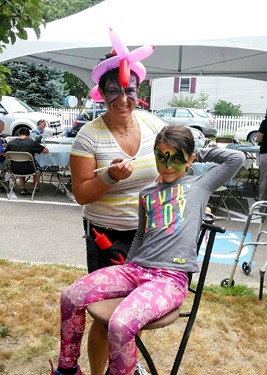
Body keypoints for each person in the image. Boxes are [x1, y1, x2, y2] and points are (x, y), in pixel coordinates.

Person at [49, 124, 245, 375]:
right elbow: (141, 235)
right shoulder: (147, 194)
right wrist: (128, 268)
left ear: (189, 159)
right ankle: (67, 369)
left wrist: (198, 151)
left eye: (175, 158)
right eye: (161, 156)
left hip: (169, 278)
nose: (167, 165)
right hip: (135, 269)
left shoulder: (199, 186)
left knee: (121, 324)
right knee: (71, 295)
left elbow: (235, 158)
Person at [69, 29, 163, 375]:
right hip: (106, 237)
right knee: (105, 314)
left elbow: (174, 167)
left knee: (133, 310)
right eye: (113, 91)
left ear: (138, 92)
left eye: (129, 91)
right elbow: (81, 194)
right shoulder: (89, 135)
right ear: (100, 94)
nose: (122, 99)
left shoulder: (154, 125)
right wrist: (109, 177)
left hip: (149, 238)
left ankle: (124, 365)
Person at [4, 128, 49, 195]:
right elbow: (46, 151)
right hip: (30, 169)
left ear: (19, 135)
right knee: (37, 169)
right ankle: (35, 188)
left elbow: (5, 154)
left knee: (20, 163)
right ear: (28, 136)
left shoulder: (11, 143)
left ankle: (22, 188)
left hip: (14, 169)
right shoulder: (31, 143)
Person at [256, 110, 267, 201]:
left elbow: (259, 139)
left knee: (264, 177)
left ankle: (262, 199)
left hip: (265, 152)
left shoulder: (265, 123)